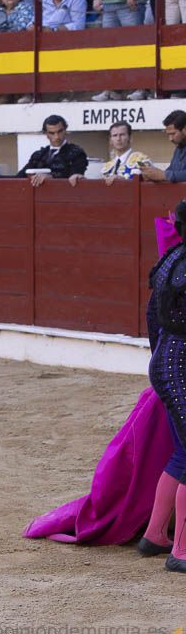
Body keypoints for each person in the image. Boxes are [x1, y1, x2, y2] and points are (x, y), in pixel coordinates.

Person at [142, 198, 186, 573]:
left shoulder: (170, 259)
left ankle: (155, 534)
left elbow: (151, 316)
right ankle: (182, 551)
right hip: (182, 367)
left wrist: (159, 360)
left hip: (165, 363)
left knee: (182, 453)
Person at [17, 114, 88, 186]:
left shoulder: (76, 153)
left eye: (60, 131)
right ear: (46, 134)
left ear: (65, 130)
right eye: (52, 133)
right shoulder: (38, 155)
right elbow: (19, 177)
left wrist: (52, 178)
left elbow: (74, 178)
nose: (57, 137)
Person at [137, 110, 186, 182]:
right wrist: (152, 175)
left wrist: (164, 175)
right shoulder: (178, 148)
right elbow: (171, 172)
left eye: (173, 134)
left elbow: (168, 175)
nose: (170, 139)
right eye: (168, 134)